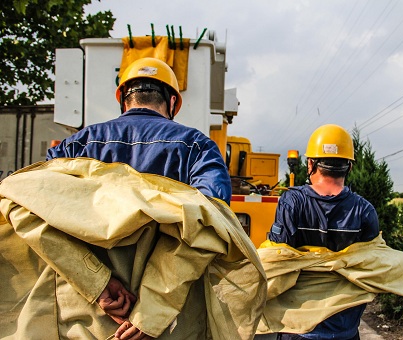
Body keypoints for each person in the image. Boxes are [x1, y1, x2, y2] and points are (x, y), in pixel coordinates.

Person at [46, 57, 232, 339]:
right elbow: (210, 222)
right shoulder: (198, 147)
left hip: (90, 315)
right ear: (172, 102)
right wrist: (153, 309)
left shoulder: (76, 145)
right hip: (170, 319)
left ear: (123, 99)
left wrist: (97, 283)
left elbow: (37, 216)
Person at [267, 124, 380, 340]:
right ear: (349, 167)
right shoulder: (365, 211)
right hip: (344, 331)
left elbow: (275, 260)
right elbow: (372, 268)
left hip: (297, 328)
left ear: (310, 163)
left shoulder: (292, 202)